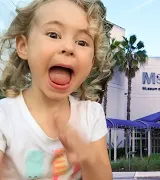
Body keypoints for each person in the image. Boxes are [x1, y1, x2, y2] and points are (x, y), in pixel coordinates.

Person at [0, 0, 113, 179]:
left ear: (91, 62)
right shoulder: (4, 115)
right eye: (53, 34)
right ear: (23, 46)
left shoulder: (91, 115)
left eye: (82, 42)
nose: (68, 48)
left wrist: (88, 158)